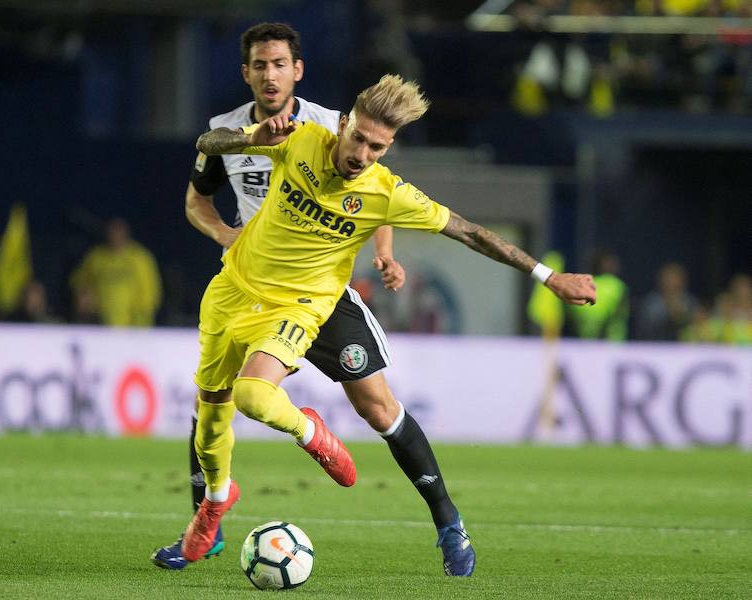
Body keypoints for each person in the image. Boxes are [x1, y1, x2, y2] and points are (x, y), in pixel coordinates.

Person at [157, 73, 596, 577]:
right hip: (233, 290)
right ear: (342, 126)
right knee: (210, 409)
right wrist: (252, 139)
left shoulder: (387, 192)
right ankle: (214, 503)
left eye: (377, 147)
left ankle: (443, 517)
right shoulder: (300, 139)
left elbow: (471, 233)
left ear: (389, 149)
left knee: (335, 404)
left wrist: (549, 276)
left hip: (304, 304)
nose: (362, 154)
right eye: (359, 139)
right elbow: (208, 144)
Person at [153, 22, 468, 577]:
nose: (269, 74)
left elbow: (376, 197)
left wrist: (385, 253)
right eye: (259, 65)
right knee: (213, 398)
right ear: (245, 73)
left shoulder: (330, 126)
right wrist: (226, 235)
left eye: (280, 64)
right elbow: (196, 201)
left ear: (297, 70)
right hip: (252, 284)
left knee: (376, 407)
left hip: (319, 292)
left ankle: (448, 521)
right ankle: (206, 527)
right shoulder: (225, 131)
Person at [69, 218, 163, 327]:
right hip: (101, 324)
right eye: (111, 231)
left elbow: (151, 292)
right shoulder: (96, 257)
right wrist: (83, 293)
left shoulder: (140, 258)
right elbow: (79, 281)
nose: (114, 235)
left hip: (133, 326)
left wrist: (139, 321)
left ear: (126, 233)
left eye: (118, 231)